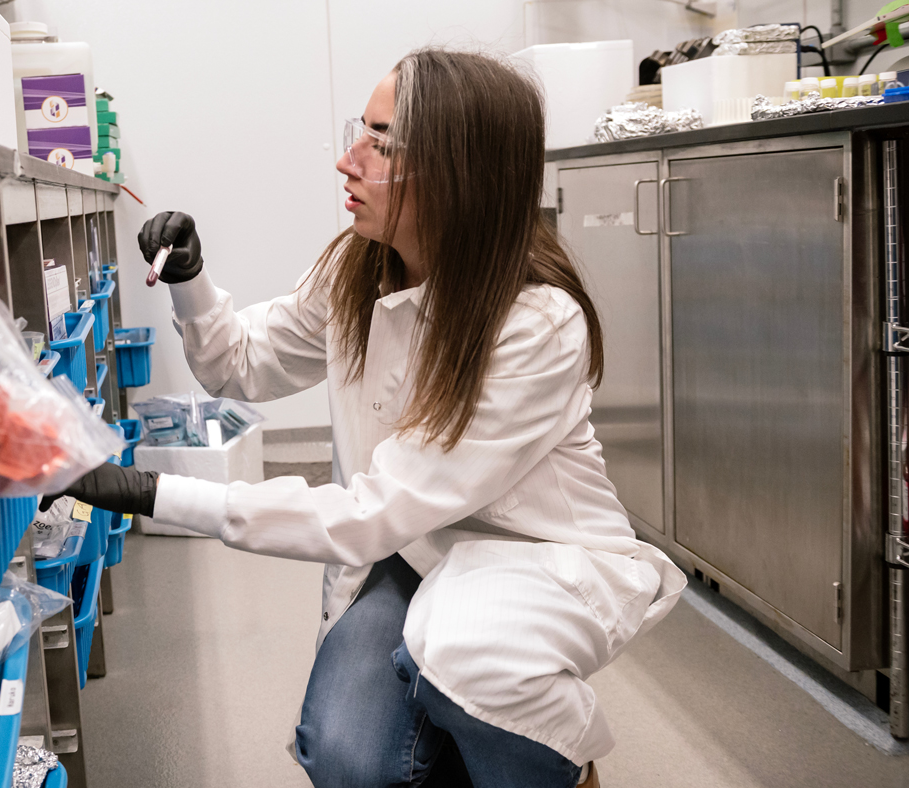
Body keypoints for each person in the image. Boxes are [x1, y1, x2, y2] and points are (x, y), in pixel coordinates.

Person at [49, 47, 686, 788]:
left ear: (457, 173)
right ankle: (456, 722)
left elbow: (370, 510)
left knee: (464, 656)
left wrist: (153, 492)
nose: (348, 160)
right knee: (349, 757)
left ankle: (557, 767)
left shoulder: (534, 323)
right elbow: (241, 365)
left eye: (381, 143)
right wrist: (190, 283)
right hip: (409, 549)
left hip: (528, 558)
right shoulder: (357, 266)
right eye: (362, 130)